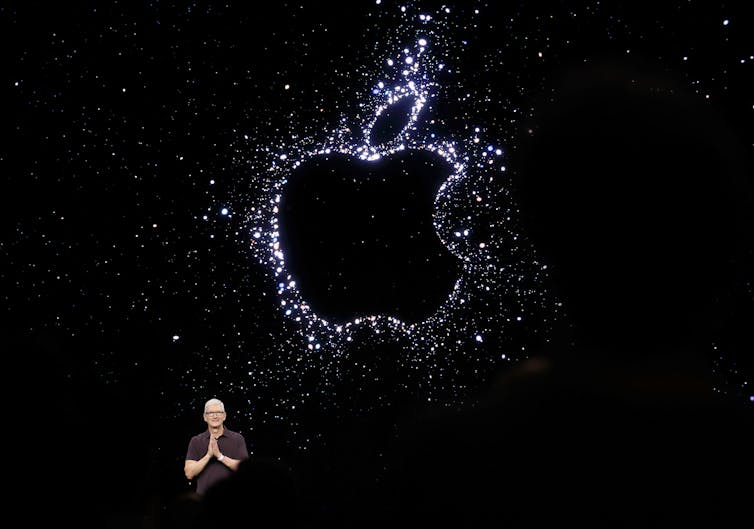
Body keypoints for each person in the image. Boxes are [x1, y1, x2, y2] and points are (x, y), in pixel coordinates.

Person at [184, 398, 250, 495]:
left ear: (224, 416)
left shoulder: (237, 439)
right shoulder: (196, 441)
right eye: (210, 413)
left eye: (218, 412)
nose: (215, 416)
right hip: (204, 500)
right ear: (205, 417)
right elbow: (189, 474)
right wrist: (208, 455)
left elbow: (245, 469)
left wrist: (220, 456)